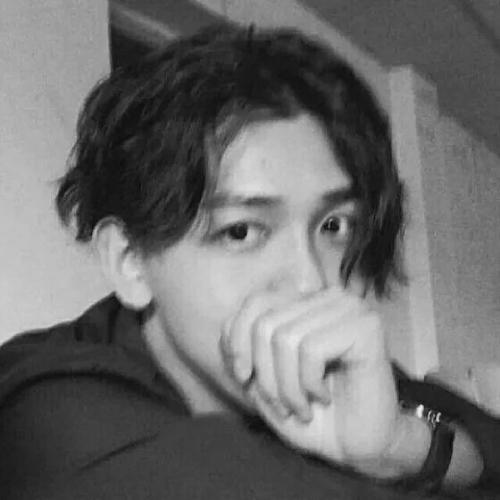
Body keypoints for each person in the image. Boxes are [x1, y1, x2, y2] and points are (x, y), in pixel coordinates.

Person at [0, 25, 498, 499]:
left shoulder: (311, 359)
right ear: (130, 260)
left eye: (333, 226)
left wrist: (397, 445)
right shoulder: (52, 416)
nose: (311, 282)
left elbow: (487, 443)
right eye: (240, 231)